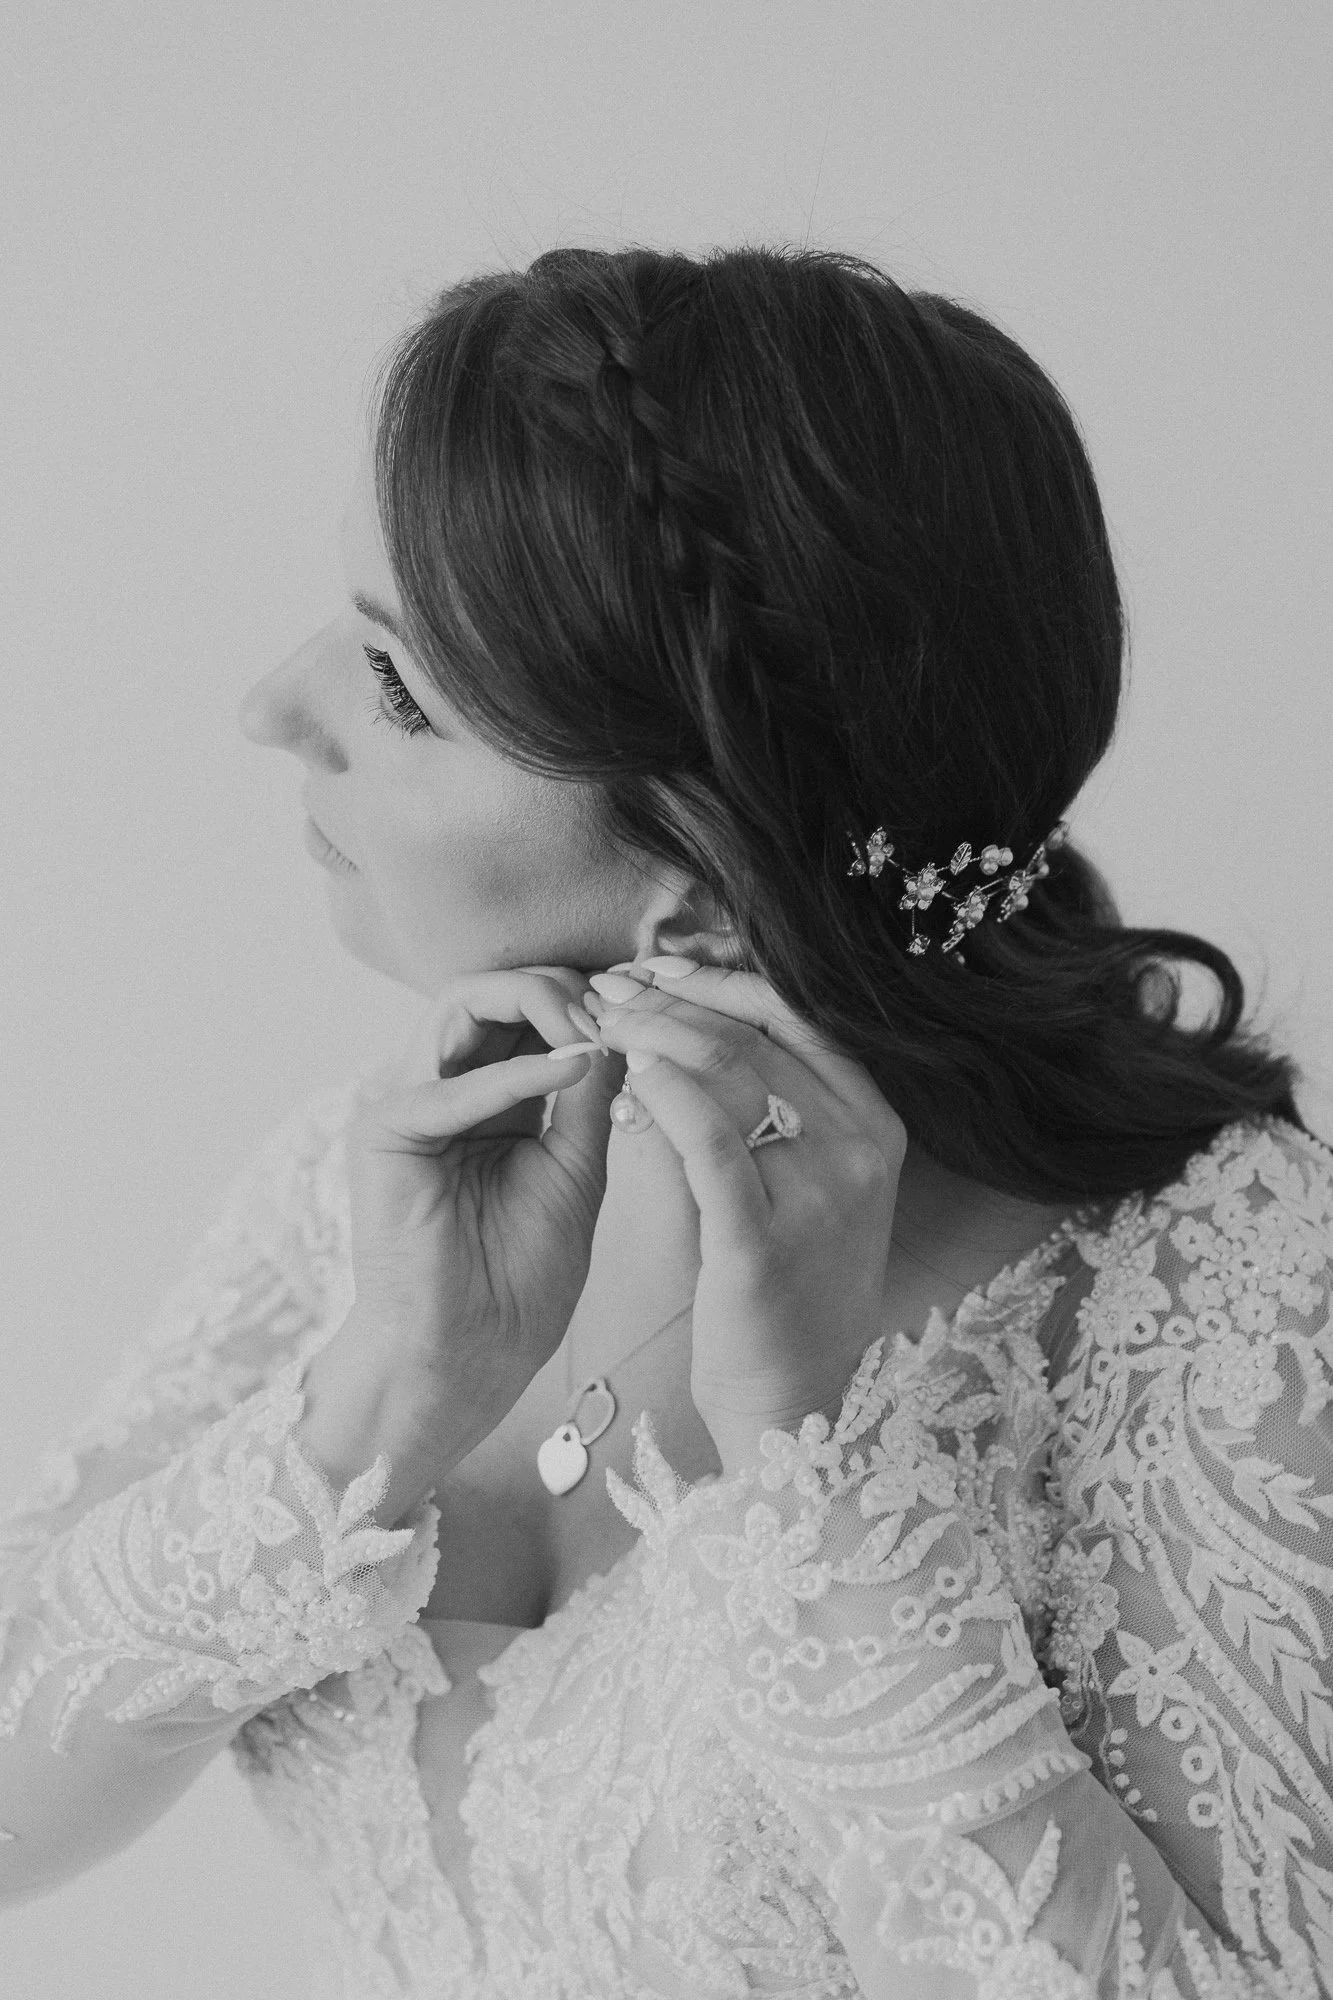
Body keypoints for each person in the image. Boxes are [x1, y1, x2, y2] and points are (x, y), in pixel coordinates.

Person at [1, 244, 1329, 2000]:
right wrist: (372, 1412)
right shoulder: (404, 1168)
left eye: (401, 690)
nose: (272, 706)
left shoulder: (1240, 1316)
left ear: (710, 903)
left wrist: (817, 1473)